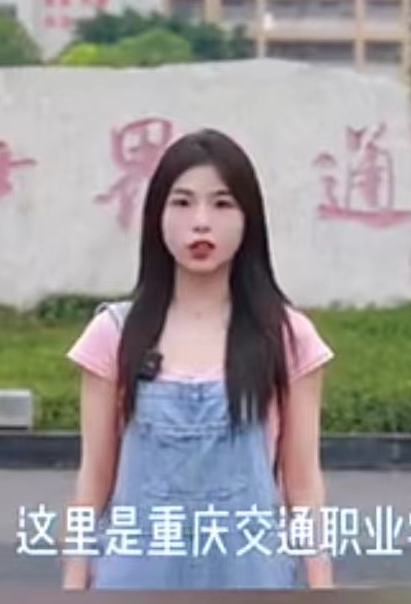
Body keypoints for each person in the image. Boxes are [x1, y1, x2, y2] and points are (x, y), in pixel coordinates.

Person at [61, 128, 335, 590]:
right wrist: (74, 579)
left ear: (249, 220)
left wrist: (321, 583)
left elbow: (304, 487)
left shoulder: (287, 337)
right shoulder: (115, 335)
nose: (201, 223)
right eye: (183, 203)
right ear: (157, 217)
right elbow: (93, 482)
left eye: (222, 204)